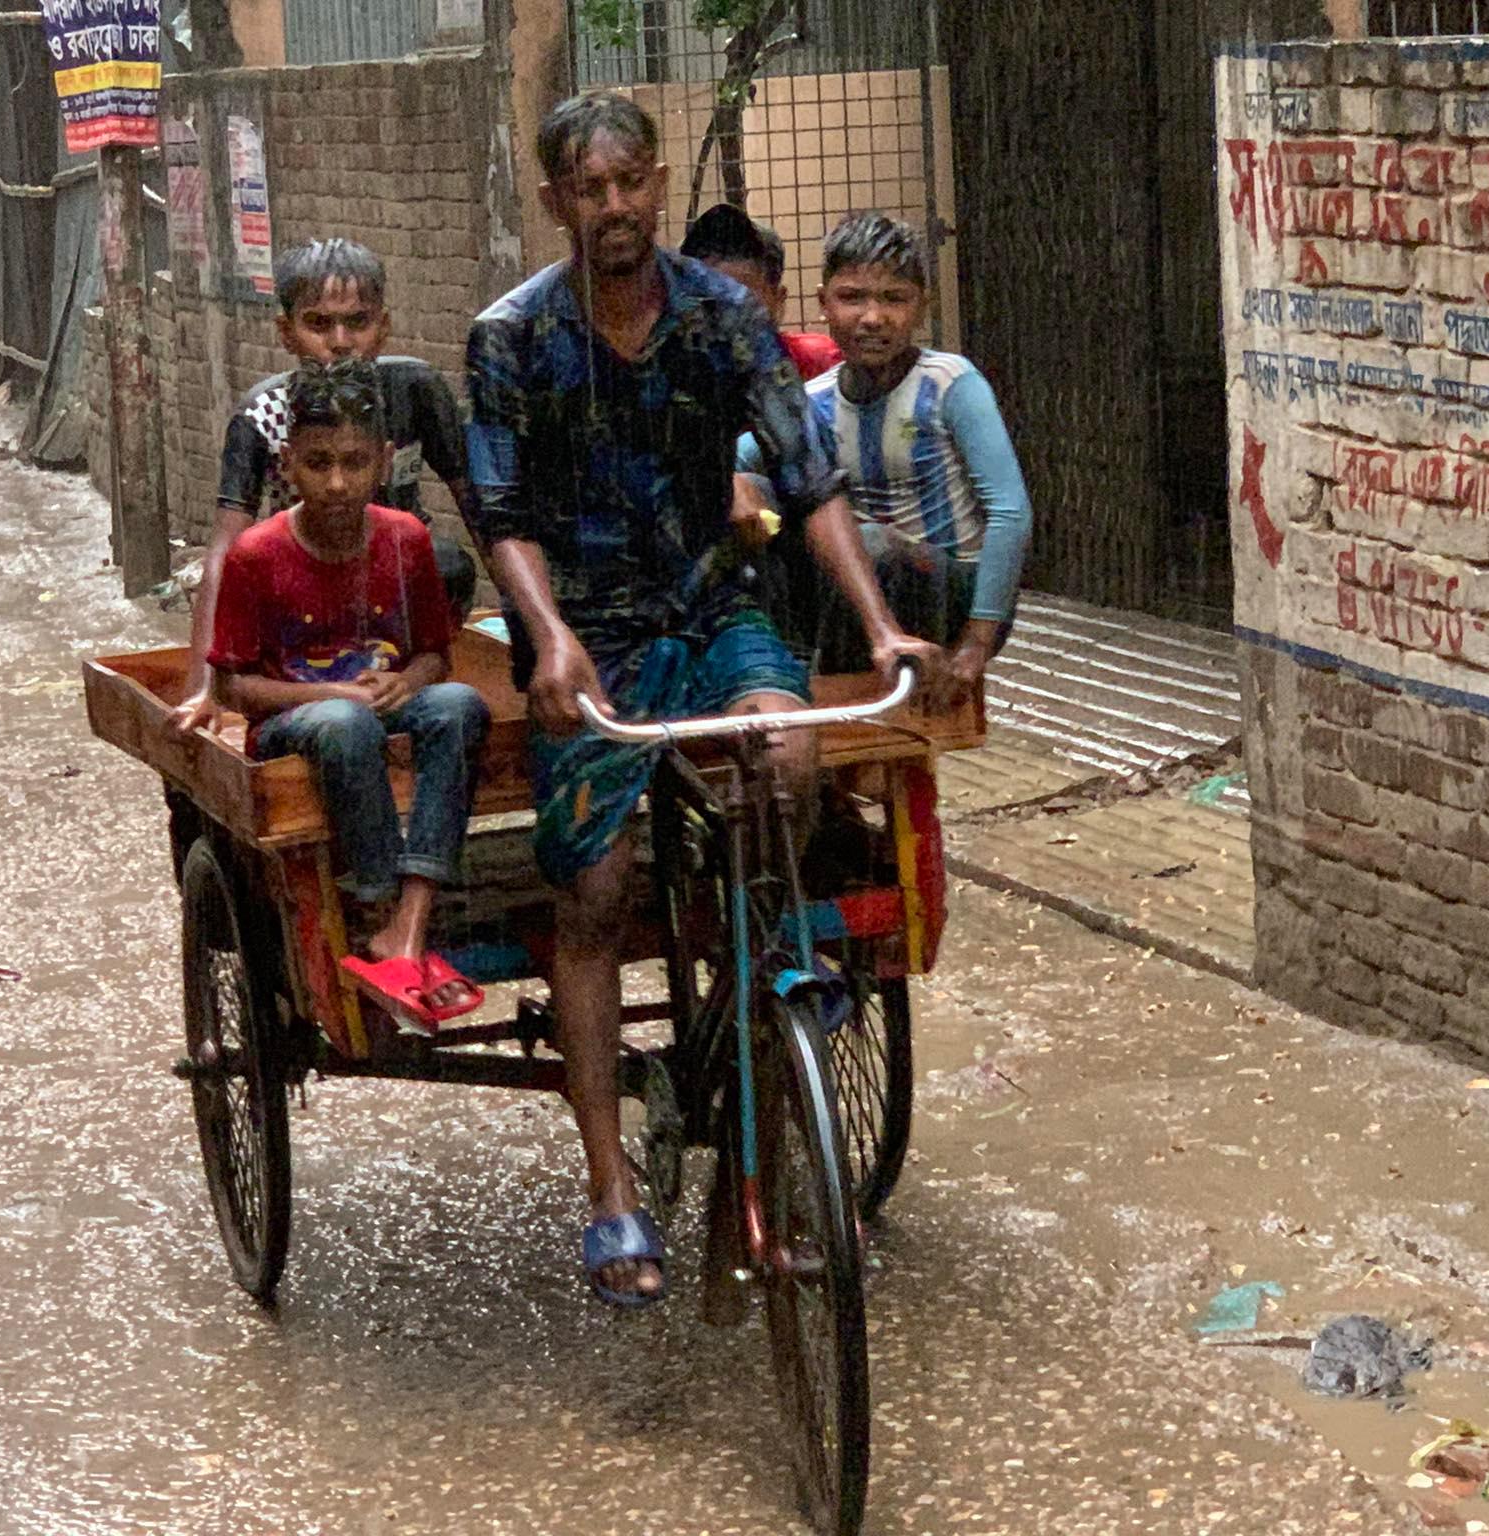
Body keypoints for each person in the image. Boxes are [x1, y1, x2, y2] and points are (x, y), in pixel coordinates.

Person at [466, 93, 937, 1309]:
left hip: (711, 599)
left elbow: (809, 477)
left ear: (659, 183)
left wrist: (879, 621)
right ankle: (611, 1188)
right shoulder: (512, 336)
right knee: (598, 889)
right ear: (555, 198)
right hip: (591, 631)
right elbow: (501, 515)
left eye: (631, 183)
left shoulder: (727, 318)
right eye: (589, 188)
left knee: (787, 761)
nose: (614, 207)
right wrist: (552, 641)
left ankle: (765, 1001)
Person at [209, 358, 490, 1030]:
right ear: (287, 464)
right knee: (342, 722)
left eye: (355, 462)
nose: (337, 483)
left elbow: (434, 656)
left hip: (384, 706)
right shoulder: (255, 555)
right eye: (318, 463)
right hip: (298, 727)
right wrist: (338, 692)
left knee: (459, 706)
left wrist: (405, 682)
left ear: (384, 461)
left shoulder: (407, 540)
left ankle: (409, 921)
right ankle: (372, 906)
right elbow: (233, 686)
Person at [175, 238, 480, 734]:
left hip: (393, 591)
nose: (340, 342)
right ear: (287, 332)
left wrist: (535, 636)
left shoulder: (415, 390)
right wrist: (203, 688)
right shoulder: (263, 413)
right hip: (301, 605)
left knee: (448, 563)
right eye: (318, 324)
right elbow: (224, 550)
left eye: (357, 322)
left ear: (383, 326)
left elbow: (481, 512)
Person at [740, 210, 1032, 700]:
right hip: (863, 602)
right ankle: (790, 676)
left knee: (877, 545)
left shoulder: (951, 384)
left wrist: (976, 644)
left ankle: (836, 691)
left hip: (953, 597)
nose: (872, 318)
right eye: (852, 298)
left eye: (894, 299)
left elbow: (1010, 512)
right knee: (760, 496)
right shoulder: (814, 402)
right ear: (823, 305)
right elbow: (738, 462)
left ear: (921, 308)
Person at [679, 202, 841, 380]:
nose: (726, 320)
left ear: (778, 301)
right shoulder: (667, 376)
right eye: (711, 304)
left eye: (742, 306)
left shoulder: (819, 363)